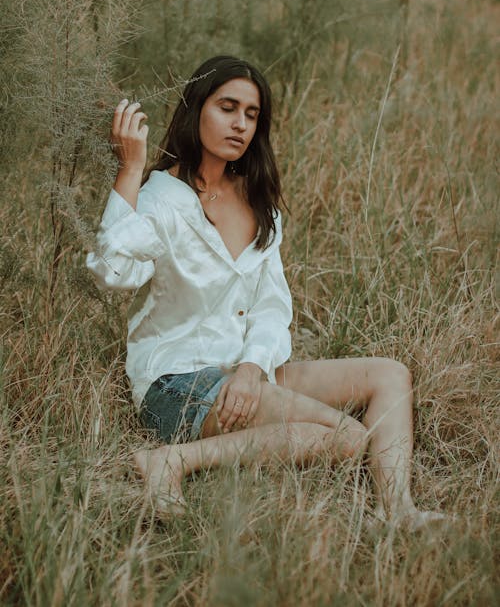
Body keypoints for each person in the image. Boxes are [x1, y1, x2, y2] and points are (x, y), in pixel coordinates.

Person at [87, 55, 445, 529]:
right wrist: (130, 170)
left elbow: (272, 306)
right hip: (176, 383)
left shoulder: (258, 202)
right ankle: (172, 461)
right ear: (197, 111)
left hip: (246, 370)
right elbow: (110, 271)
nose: (240, 124)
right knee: (347, 438)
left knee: (390, 374)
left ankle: (397, 509)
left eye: (251, 114)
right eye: (227, 107)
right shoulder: (161, 200)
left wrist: (253, 369)